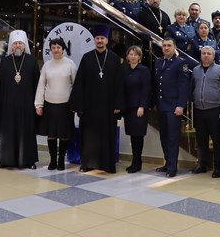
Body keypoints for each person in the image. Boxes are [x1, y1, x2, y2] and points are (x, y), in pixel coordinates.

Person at [69, 24, 124, 173]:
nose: (99, 41)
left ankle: (107, 165)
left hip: (108, 105)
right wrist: (78, 105)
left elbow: (119, 83)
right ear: (94, 40)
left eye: (102, 38)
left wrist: (118, 104)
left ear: (107, 40)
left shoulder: (114, 59)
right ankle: (87, 163)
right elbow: (79, 82)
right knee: (88, 136)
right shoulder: (87, 58)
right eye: (97, 38)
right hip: (90, 106)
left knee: (107, 136)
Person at [0, 30, 40, 169]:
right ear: (11, 46)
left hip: (27, 106)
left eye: (20, 43)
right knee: (8, 133)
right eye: (15, 43)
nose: (18, 46)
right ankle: (6, 160)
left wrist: (37, 104)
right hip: (8, 106)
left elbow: (37, 84)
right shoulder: (5, 62)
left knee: (27, 133)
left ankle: (29, 161)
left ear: (24, 45)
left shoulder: (32, 61)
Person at [35, 38, 77, 170]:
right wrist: (38, 104)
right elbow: (41, 85)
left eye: (58, 47)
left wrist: (75, 105)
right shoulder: (47, 65)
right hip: (49, 104)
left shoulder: (70, 64)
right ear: (50, 49)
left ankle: (61, 161)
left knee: (64, 134)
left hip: (66, 105)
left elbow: (75, 86)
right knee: (51, 134)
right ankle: (53, 161)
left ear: (63, 49)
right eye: (53, 47)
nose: (56, 49)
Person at [190, 46, 220, 178]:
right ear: (200, 55)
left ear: (213, 56)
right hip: (199, 110)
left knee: (218, 140)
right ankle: (202, 164)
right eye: (203, 53)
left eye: (208, 54)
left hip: (215, 110)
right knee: (201, 140)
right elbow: (192, 87)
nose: (205, 55)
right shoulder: (196, 70)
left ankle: (219, 167)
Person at [152, 38, 190, 178]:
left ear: (174, 47)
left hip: (174, 106)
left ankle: (172, 167)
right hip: (161, 105)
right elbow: (157, 84)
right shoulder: (158, 61)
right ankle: (168, 162)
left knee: (173, 137)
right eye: (164, 46)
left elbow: (183, 85)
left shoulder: (181, 63)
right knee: (164, 136)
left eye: (169, 45)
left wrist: (181, 105)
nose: (166, 48)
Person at [121, 45, 151, 173]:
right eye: (130, 54)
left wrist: (142, 106)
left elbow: (146, 89)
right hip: (128, 108)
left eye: (135, 54)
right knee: (132, 136)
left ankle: (137, 162)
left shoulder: (144, 70)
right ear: (127, 56)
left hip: (139, 108)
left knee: (138, 136)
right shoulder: (124, 70)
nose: (132, 57)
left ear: (139, 57)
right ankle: (135, 160)